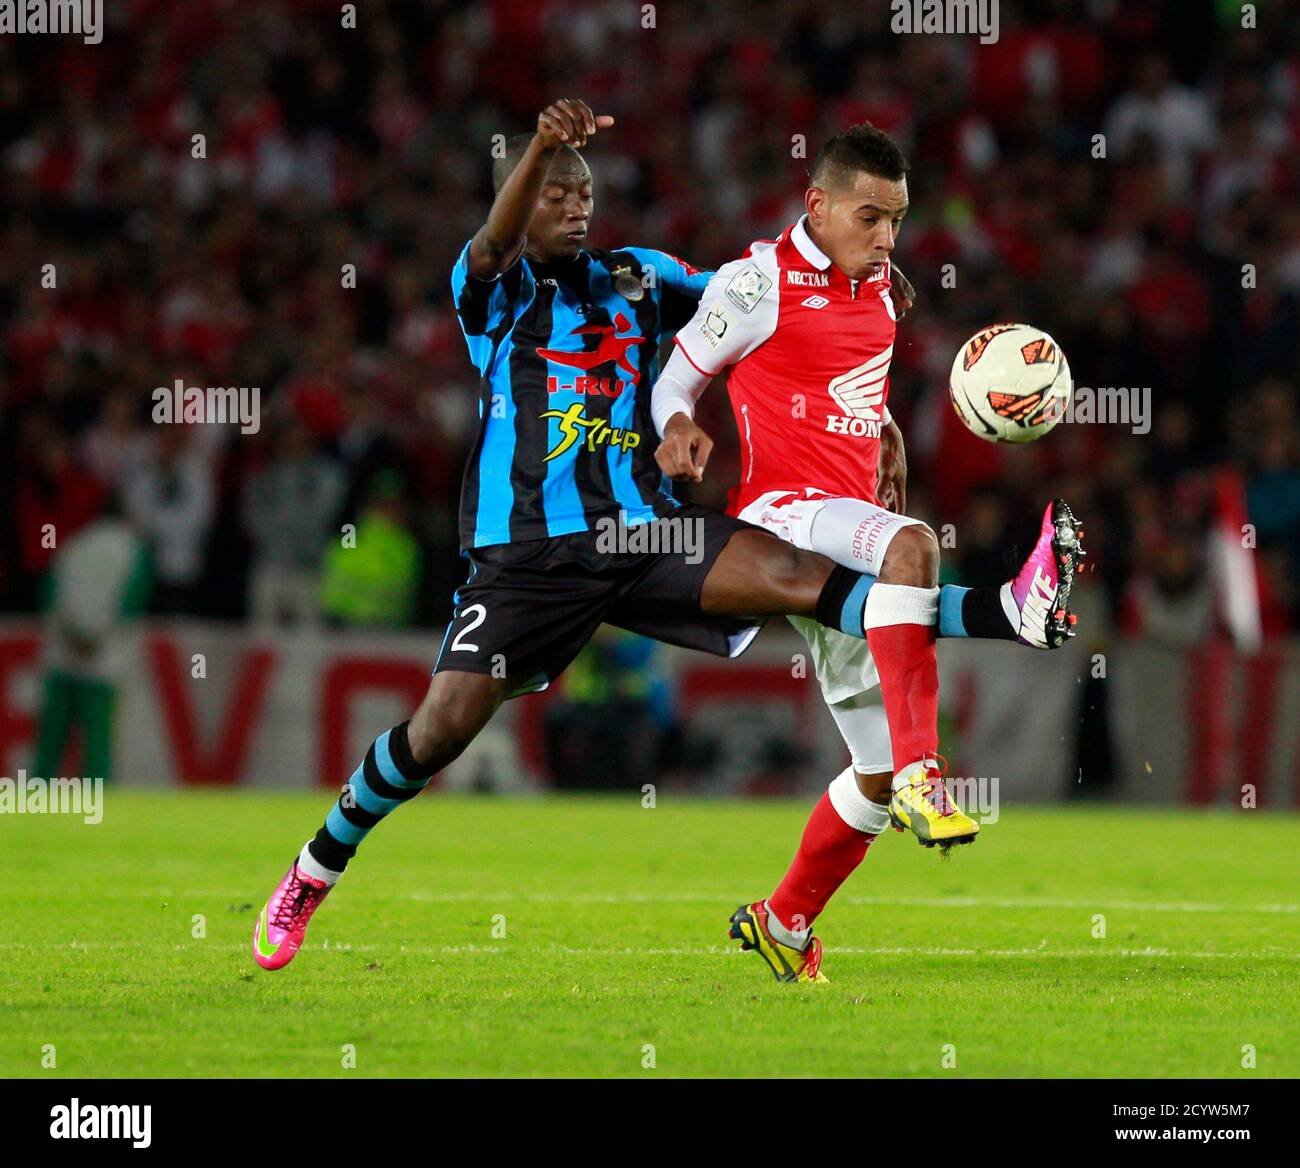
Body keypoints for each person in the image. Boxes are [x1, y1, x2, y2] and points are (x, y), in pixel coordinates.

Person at [250, 99, 918, 971]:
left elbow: (760, 290)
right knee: (440, 730)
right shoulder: (493, 293)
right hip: (527, 553)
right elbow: (490, 244)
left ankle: (986, 613)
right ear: (520, 198)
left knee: (804, 574)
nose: (575, 206)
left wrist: (859, 286)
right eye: (554, 192)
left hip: (641, 535)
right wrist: (542, 146)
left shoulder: (640, 275)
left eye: (582, 193)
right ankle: (314, 869)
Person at [651, 123, 1085, 983]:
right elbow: (678, 376)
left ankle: (783, 921)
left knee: (871, 776)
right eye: (870, 218)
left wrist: (882, 426)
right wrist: (676, 428)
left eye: (897, 219)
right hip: (783, 512)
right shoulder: (754, 283)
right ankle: (983, 672)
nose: (887, 237)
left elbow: (846, 377)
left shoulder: (882, 284)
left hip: (845, 514)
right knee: (915, 546)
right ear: (817, 204)